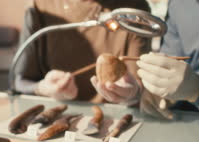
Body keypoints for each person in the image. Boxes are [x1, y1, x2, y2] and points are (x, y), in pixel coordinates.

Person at [15, 0, 152, 105]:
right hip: (55, 113)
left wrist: (132, 94)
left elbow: (140, 87)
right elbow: (19, 81)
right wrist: (42, 88)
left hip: (114, 121)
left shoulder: (134, 10)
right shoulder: (40, 6)